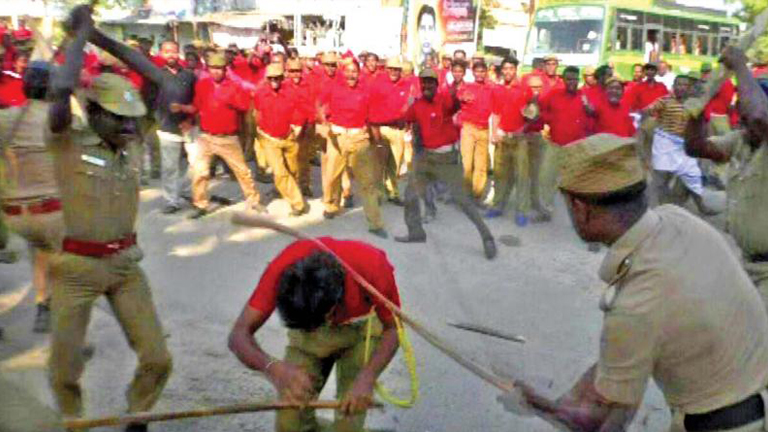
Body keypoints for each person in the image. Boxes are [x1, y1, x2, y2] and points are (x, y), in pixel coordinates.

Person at [498, 132, 768, 432]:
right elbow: (630, 351)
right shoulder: (678, 220)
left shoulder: (636, 304)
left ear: (579, 208)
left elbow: (612, 417)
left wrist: (586, 412)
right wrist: (581, 399)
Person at [46, 8, 172, 431]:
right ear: (94, 112)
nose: (129, 126)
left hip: (124, 265)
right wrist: (79, 38)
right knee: (65, 369)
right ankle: (71, 419)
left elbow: (161, 81)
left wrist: (99, 36)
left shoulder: (132, 142)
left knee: (158, 357)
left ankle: (138, 415)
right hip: (75, 270)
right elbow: (62, 86)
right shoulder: (66, 137)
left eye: (132, 118)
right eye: (117, 117)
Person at [228, 237, 401, 432]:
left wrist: (367, 377)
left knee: (349, 420)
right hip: (309, 336)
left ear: (333, 307)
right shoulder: (283, 269)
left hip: (362, 332)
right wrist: (273, 369)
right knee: (289, 421)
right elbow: (238, 335)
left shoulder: (372, 265)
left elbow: (393, 329)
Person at [686, 46, 768, 304]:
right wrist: (697, 111)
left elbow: (758, 116)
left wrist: (740, 67)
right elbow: (696, 147)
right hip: (748, 264)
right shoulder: (742, 140)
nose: (743, 118)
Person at [88, 30, 198, 215]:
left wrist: (189, 117)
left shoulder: (189, 76)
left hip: (190, 127)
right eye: (167, 51)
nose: (171, 54)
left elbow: (198, 99)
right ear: (162, 54)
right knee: (169, 167)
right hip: (166, 127)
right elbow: (137, 70)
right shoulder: (156, 74)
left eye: (174, 51)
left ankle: (188, 192)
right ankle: (172, 200)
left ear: (178, 53)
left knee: (196, 165)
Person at [394, 68, 497, 260]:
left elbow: (454, 102)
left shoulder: (444, 100)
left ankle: (487, 238)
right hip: (426, 158)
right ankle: (416, 232)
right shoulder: (417, 105)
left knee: (463, 201)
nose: (427, 85)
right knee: (410, 195)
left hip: (447, 159)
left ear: (437, 84)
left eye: (430, 82)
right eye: (423, 82)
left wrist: (456, 92)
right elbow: (404, 120)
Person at [0, 60, 64, 333]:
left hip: (15, 214)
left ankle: (42, 307)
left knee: (39, 254)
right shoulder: (59, 119)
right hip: (51, 212)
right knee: (68, 272)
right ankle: (69, 338)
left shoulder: (7, 118)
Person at [170, 51, 264, 219]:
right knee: (200, 173)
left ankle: (254, 201)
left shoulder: (235, 87)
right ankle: (200, 204)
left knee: (242, 172)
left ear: (225, 69)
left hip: (228, 138)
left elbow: (244, 106)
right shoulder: (202, 85)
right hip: (206, 137)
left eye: (219, 68)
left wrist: (229, 99)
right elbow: (196, 106)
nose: (216, 72)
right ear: (208, 68)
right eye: (212, 68)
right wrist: (183, 109)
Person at [318, 60, 386, 238]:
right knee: (332, 176)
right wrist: (323, 122)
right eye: (347, 71)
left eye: (354, 71)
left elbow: (372, 119)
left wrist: (377, 142)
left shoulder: (366, 91)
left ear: (359, 73)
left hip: (359, 139)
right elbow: (319, 104)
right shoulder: (333, 87)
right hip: (337, 137)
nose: (351, 74)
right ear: (342, 72)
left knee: (367, 183)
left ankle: (375, 223)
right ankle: (332, 206)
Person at [645, 75, 714, 214]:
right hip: (666, 144)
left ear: (689, 89)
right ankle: (652, 208)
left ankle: (702, 207)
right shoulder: (664, 101)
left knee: (692, 176)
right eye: (678, 84)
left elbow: (703, 124)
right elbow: (648, 110)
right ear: (673, 86)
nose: (681, 87)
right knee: (661, 178)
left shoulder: (695, 105)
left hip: (685, 146)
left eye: (685, 85)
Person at [253, 63, 309, 216]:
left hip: (289, 138)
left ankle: (284, 190)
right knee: (279, 172)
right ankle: (298, 204)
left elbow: (302, 109)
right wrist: (260, 129)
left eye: (277, 78)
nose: (274, 81)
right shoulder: (260, 93)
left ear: (282, 78)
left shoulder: (292, 92)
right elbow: (257, 111)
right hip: (270, 139)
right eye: (271, 78)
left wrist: (296, 126)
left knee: (293, 170)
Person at [486, 56, 534, 225]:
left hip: (520, 139)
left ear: (515, 70)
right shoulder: (497, 89)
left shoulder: (525, 89)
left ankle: (522, 211)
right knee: (500, 175)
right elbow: (495, 113)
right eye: (505, 69)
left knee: (522, 176)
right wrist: (493, 133)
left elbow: (533, 113)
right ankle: (498, 205)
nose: (507, 72)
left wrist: (524, 128)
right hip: (503, 137)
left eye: (511, 68)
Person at [368, 57, 410, 206]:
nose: (393, 72)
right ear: (386, 69)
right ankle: (378, 193)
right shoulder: (378, 84)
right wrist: (375, 132)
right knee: (379, 164)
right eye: (391, 69)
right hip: (382, 129)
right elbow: (371, 108)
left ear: (400, 71)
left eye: (396, 69)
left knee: (395, 165)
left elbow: (410, 103)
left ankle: (393, 192)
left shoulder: (406, 85)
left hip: (398, 130)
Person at [457, 61, 495, 203]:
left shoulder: (491, 88)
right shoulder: (466, 87)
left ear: (486, 72)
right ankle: (465, 195)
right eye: (477, 71)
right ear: (473, 73)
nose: (479, 74)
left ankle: (476, 195)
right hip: (469, 128)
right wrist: (463, 97)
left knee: (481, 166)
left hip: (484, 129)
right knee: (466, 164)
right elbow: (458, 96)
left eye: (482, 71)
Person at [285, 57, 318, 198]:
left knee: (304, 159)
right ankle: (289, 187)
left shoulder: (309, 85)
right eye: (292, 71)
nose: (295, 74)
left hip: (306, 127)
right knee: (289, 159)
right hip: (288, 128)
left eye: (298, 71)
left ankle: (304, 185)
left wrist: (309, 122)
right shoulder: (284, 86)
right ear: (287, 72)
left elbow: (313, 105)